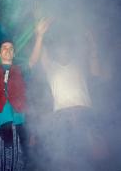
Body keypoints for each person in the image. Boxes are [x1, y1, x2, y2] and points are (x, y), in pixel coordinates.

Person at [0, 16, 49, 171]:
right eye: (4, 48)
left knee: (13, 164)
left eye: (11, 49)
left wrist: (39, 36)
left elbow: (33, 60)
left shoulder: (20, 69)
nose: (8, 50)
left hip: (17, 120)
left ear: (14, 54)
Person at [34, 24, 104, 171]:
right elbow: (42, 55)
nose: (62, 50)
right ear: (56, 52)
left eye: (65, 47)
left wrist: (92, 43)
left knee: (95, 155)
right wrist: (40, 34)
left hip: (85, 112)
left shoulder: (79, 63)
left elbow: (96, 71)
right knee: (67, 159)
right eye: (59, 48)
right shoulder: (51, 67)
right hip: (62, 115)